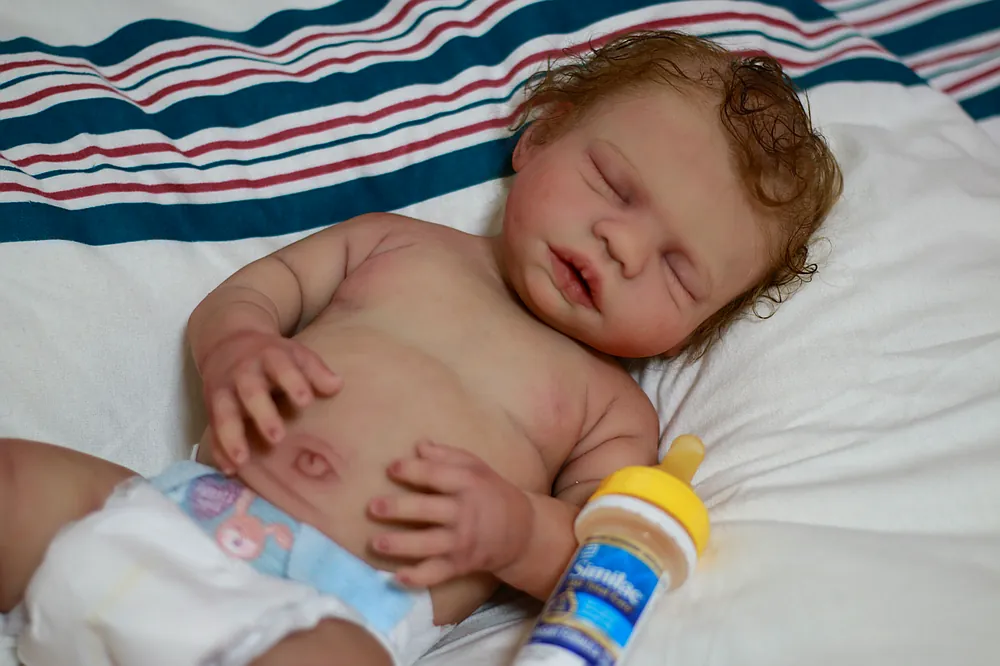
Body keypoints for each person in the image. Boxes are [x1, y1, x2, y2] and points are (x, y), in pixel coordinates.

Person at [0, 30, 842, 666]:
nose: (622, 245)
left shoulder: (609, 408)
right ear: (541, 135)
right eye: (613, 185)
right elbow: (255, 293)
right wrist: (238, 347)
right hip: (178, 513)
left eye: (677, 270)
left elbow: (597, 558)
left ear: (697, 329)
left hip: (329, 614)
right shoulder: (397, 244)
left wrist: (516, 533)